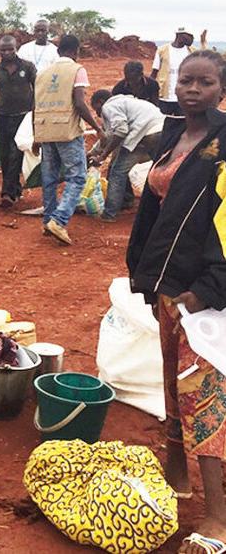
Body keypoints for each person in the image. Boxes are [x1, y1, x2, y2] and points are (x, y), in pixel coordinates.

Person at [126, 50, 226, 554]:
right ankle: (176, 475)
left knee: (202, 395)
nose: (192, 90)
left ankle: (216, 519)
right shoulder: (173, 135)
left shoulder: (224, 145)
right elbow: (156, 211)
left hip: (203, 294)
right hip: (167, 284)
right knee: (170, 380)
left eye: (204, 82)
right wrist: (145, 278)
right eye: (186, 81)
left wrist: (211, 287)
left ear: (221, 89)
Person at [33, 35, 105, 245]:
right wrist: (98, 128)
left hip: (46, 130)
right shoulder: (77, 70)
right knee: (77, 177)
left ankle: (48, 221)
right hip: (67, 131)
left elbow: (34, 106)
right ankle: (59, 220)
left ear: (58, 51)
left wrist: (37, 135)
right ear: (76, 51)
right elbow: (80, 103)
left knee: (49, 178)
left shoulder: (42, 73)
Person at [89, 90, 164, 222]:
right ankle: (163, 209)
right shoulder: (127, 102)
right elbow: (109, 137)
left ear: (100, 102)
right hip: (161, 131)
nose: (97, 114)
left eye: (96, 109)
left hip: (144, 135)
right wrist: (92, 153)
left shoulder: (109, 106)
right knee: (160, 169)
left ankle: (110, 213)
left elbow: (120, 131)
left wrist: (102, 157)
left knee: (117, 172)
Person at [0, 35, 37, 208]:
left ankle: (6, 193)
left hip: (23, 117)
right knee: (5, 155)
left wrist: (34, 111)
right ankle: (15, 188)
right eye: (4, 50)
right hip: (2, 116)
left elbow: (36, 89)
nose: (7, 52)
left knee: (16, 153)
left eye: (10, 49)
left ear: (16, 48)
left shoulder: (28, 67)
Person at [151, 27, 206, 115]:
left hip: (184, 97)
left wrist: (203, 43)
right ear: (179, 35)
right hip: (164, 97)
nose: (192, 39)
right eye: (189, 36)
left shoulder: (192, 52)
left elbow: (204, 61)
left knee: (182, 121)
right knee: (163, 121)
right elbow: (154, 73)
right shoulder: (162, 50)